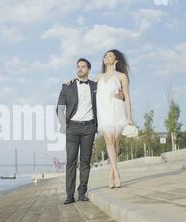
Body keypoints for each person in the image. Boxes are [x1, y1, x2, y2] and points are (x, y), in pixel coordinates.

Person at [56, 58, 97, 205]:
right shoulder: (67, 86)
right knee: (71, 162)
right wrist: (64, 125)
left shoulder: (95, 86)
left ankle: (82, 192)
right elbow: (60, 108)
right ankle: (69, 195)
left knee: (85, 161)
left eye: (83, 66)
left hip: (89, 128)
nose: (80, 69)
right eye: (78, 66)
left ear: (88, 69)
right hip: (72, 128)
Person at [95, 49, 133, 188]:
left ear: (116, 60)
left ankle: (112, 172)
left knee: (115, 143)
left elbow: (127, 97)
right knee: (109, 141)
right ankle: (116, 173)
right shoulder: (98, 77)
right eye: (105, 55)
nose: (106, 57)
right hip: (103, 113)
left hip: (116, 111)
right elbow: (85, 87)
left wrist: (129, 118)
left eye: (110, 55)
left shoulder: (122, 76)